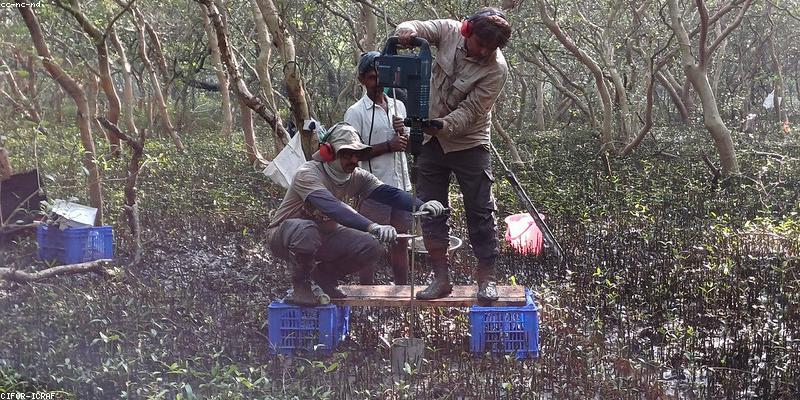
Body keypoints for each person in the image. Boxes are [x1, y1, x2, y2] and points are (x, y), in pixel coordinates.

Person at [395, 7, 512, 302]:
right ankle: (441, 278)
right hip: (432, 141)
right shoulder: (448, 30)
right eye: (480, 43)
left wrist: (442, 125)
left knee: (480, 210)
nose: (484, 50)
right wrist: (406, 31)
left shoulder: (496, 69)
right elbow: (418, 25)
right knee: (432, 209)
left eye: (490, 47)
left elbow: (472, 112)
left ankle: (487, 278)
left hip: (470, 142)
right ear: (466, 31)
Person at [265, 123, 445, 306]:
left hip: (324, 236)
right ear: (329, 152)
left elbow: (388, 193)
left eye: (357, 154)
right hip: (285, 235)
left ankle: (324, 275)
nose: (353, 159)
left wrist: (422, 205)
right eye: (346, 154)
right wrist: (373, 226)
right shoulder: (307, 174)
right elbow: (333, 207)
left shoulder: (357, 176)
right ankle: (301, 284)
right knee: (307, 229)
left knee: (372, 245)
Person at [344, 51, 412, 285]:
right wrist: (388, 145)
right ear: (362, 79)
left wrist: (403, 133)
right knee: (371, 242)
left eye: (381, 77)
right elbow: (351, 153)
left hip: (402, 187)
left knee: (402, 240)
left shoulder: (399, 106)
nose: (377, 83)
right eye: (372, 77)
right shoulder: (356, 112)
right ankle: (366, 291)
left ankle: (402, 289)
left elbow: (410, 145)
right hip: (374, 188)